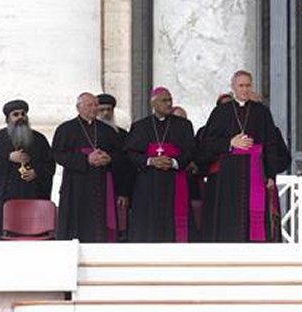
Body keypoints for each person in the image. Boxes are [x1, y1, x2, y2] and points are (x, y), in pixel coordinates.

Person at [198, 70, 291, 242]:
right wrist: (230, 143)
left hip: (255, 172)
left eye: (248, 85)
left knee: (254, 217)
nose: (245, 89)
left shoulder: (262, 112)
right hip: (228, 175)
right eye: (241, 86)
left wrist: (271, 175)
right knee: (229, 215)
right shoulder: (221, 112)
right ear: (233, 87)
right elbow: (207, 143)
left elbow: (271, 144)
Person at [126, 87, 196, 242]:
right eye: (164, 100)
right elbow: (130, 154)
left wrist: (174, 162)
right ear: (153, 103)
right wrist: (151, 161)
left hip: (175, 180)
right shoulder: (140, 126)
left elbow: (191, 150)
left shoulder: (184, 125)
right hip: (148, 183)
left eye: (170, 100)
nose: (169, 103)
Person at [51, 92, 122, 242]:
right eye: (90, 105)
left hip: (101, 183)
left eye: (96, 105)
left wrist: (108, 158)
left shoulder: (107, 130)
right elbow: (57, 155)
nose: (94, 108)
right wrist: (86, 159)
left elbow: (120, 154)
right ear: (79, 107)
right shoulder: (65, 129)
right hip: (75, 184)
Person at [0, 99, 54, 240]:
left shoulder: (39, 139)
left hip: (34, 194)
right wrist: (8, 157)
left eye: (23, 114)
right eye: (15, 114)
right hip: (8, 196)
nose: (20, 117)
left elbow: (49, 163)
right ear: (7, 119)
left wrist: (36, 172)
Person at [96, 92, 132, 237]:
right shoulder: (87, 134)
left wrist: (124, 192)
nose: (105, 113)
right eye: (102, 110)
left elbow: (127, 165)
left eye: (109, 110)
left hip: (115, 186)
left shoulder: (123, 135)